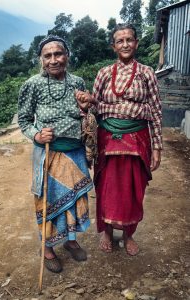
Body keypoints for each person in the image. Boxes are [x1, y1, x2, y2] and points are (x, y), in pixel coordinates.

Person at [76, 24, 162, 256]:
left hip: (137, 140)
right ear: (113, 46)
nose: (125, 44)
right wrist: (86, 109)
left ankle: (128, 234)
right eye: (120, 41)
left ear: (136, 43)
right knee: (106, 187)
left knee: (134, 189)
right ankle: (106, 231)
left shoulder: (146, 73)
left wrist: (157, 148)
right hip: (107, 140)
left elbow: (154, 111)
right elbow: (93, 110)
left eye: (129, 40)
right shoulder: (104, 73)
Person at [18, 35, 93, 273]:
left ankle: (70, 240)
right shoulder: (32, 84)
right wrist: (37, 135)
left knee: (74, 199)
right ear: (41, 59)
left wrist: (85, 108)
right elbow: (24, 120)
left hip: (75, 153)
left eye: (58, 54)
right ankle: (48, 248)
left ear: (67, 56)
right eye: (47, 56)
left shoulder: (77, 82)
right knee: (48, 201)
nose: (53, 60)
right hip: (48, 154)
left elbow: (86, 116)